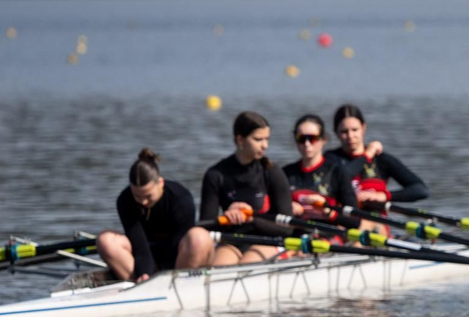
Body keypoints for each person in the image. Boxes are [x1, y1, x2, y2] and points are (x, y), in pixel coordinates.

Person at [97, 149, 213, 282]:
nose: (143, 202)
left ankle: (178, 285)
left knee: (199, 237)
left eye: (148, 196)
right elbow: (140, 247)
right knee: (105, 240)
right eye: (137, 196)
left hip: (178, 255)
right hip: (145, 252)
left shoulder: (180, 198)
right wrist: (145, 273)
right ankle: (139, 285)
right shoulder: (125, 200)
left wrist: (162, 277)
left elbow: (176, 246)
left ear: (160, 183)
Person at [200, 111, 293, 267]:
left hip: (267, 239)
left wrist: (252, 218)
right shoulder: (215, 175)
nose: (265, 145)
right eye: (258, 139)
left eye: (266, 139)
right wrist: (229, 216)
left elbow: (287, 229)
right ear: (240, 140)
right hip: (233, 241)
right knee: (220, 270)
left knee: (247, 267)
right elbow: (205, 226)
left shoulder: (272, 172)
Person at [329, 103, 428, 209]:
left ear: (363, 128)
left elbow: (420, 190)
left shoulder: (381, 160)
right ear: (336, 133)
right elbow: (343, 175)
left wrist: (384, 195)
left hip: (376, 222)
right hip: (342, 223)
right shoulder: (329, 159)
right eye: (344, 131)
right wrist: (368, 155)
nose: (350, 136)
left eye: (354, 130)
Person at [282, 114, 357, 221]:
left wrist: (328, 212)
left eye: (312, 138)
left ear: (324, 139)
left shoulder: (337, 172)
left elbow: (355, 220)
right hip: (296, 234)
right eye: (301, 139)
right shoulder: (285, 173)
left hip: (326, 234)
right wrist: (287, 209)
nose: (307, 144)